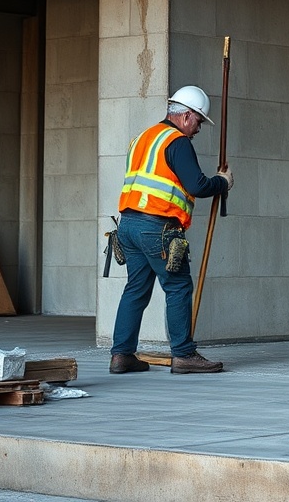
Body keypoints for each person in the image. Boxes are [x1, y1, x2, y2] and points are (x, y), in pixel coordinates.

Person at [109, 85, 234, 375]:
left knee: (136, 290)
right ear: (187, 116)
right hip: (157, 227)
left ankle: (121, 355)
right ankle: (184, 355)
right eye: (199, 121)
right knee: (178, 287)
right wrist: (222, 182)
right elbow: (197, 186)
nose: (199, 128)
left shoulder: (142, 138)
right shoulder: (177, 142)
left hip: (128, 225)